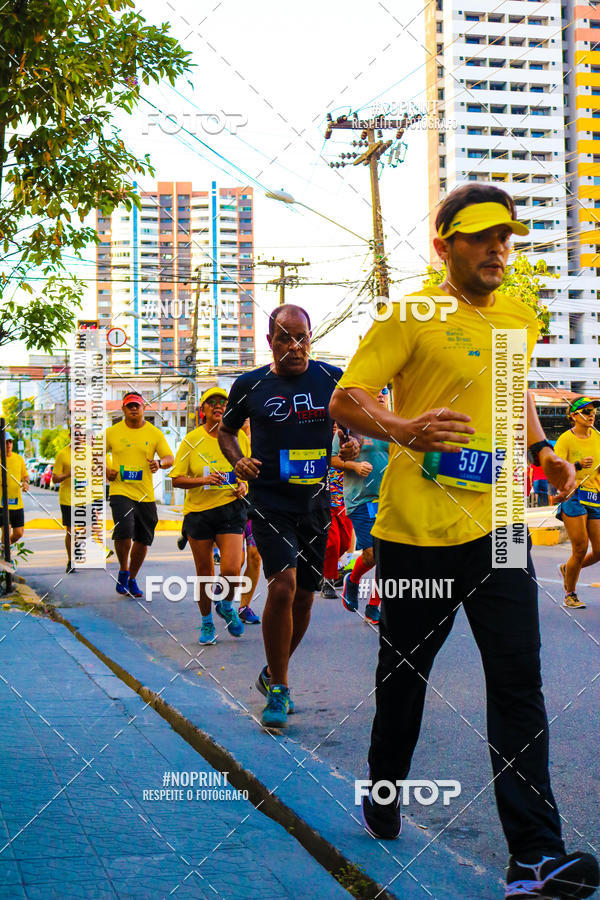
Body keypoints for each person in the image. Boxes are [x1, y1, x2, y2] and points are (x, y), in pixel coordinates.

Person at [330, 184, 599, 899]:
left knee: (519, 682)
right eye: (480, 238)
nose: (496, 250)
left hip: (503, 529)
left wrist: (545, 454)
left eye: (504, 238)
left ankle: (535, 858)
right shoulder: (410, 313)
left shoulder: (518, 314)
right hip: (417, 533)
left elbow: (512, 396)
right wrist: (405, 429)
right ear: (444, 245)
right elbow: (347, 397)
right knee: (404, 679)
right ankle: (383, 792)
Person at [218, 303, 359, 728]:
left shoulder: (332, 377)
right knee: (283, 585)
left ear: (310, 338)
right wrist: (238, 460)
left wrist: (348, 446)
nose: (295, 346)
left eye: (302, 337)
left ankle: (270, 673)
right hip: (269, 501)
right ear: (270, 341)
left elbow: (348, 427)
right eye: (285, 337)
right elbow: (226, 431)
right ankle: (279, 686)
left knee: (305, 596)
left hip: (315, 503)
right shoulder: (250, 384)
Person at [170, 387, 248, 644]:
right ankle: (206, 623)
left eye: (223, 403)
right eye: (211, 402)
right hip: (199, 514)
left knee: (232, 569)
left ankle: (226, 604)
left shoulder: (239, 437)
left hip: (230, 509)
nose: (218, 406)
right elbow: (176, 480)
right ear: (202, 410)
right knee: (204, 573)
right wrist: (203, 479)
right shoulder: (191, 439)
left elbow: (248, 470)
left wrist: (244, 484)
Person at [106, 392, 174, 599]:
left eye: (137, 406)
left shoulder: (154, 433)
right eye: (129, 406)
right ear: (123, 410)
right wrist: (105, 469)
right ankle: (123, 570)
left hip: (145, 494)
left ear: (144, 409)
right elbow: (95, 454)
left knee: (144, 538)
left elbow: (169, 457)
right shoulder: (111, 432)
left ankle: (131, 578)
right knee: (124, 529)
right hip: (120, 490)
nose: (134, 409)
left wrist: (159, 464)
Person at [335, 389, 390, 625]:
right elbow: (332, 458)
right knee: (372, 555)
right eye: (374, 390)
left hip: (389, 499)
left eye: (384, 390)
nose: (380, 394)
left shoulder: (393, 425)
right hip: (361, 499)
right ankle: (353, 580)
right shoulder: (353, 423)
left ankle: (375, 606)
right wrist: (354, 466)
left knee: (387, 556)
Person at [554, 397, 600, 610]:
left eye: (593, 411)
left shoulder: (598, 437)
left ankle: (567, 568)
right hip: (573, 496)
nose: (592, 414)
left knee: (599, 551)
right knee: (580, 547)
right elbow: (556, 470)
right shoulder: (565, 439)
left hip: (595, 496)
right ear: (573, 416)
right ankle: (569, 594)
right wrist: (577, 464)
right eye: (586, 411)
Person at [321, 424, 353, 600]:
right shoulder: (319, 442)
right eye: (331, 424)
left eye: (337, 424)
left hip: (346, 501)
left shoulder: (350, 443)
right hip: (325, 501)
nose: (333, 427)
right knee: (332, 543)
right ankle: (328, 580)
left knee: (345, 542)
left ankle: (324, 567)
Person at [1, 433, 29, 544]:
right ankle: (7, 555)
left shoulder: (19, 459)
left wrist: (25, 483)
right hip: (2, 503)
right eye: (6, 441)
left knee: (19, 533)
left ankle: (4, 547)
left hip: (17, 503)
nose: (8, 444)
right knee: (6, 531)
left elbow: (25, 475)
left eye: (10, 441)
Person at [238, 520, 262, 624]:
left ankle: (244, 608)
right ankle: (223, 592)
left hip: (255, 512)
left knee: (255, 557)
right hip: (236, 511)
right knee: (238, 561)